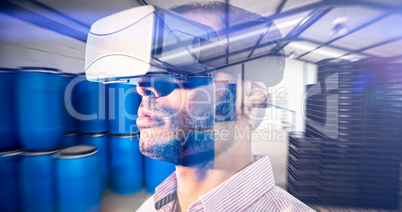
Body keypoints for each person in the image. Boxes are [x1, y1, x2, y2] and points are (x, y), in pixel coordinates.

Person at [85, 1, 314, 211]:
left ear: (251, 93)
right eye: (147, 71)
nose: (143, 87)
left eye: (180, 68)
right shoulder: (149, 208)